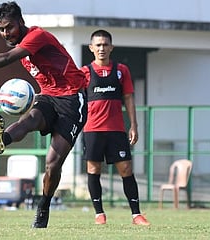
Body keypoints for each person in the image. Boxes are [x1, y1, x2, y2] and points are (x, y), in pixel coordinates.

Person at [0, 1, 87, 228]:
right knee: (29, 119)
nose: (5, 33)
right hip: (49, 96)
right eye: (1, 29)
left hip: (73, 99)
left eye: (9, 27)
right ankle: (2, 139)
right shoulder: (20, 46)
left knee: (52, 163)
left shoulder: (37, 36)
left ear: (21, 22)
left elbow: (4, 59)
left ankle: (43, 207)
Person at [80, 29, 150, 226]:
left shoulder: (121, 70)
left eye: (105, 44)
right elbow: (76, 99)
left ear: (111, 47)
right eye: (98, 45)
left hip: (117, 130)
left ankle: (136, 214)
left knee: (126, 169)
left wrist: (134, 125)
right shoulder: (85, 72)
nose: (102, 48)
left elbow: (128, 97)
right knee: (94, 169)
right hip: (92, 129)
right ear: (91, 48)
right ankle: (99, 214)